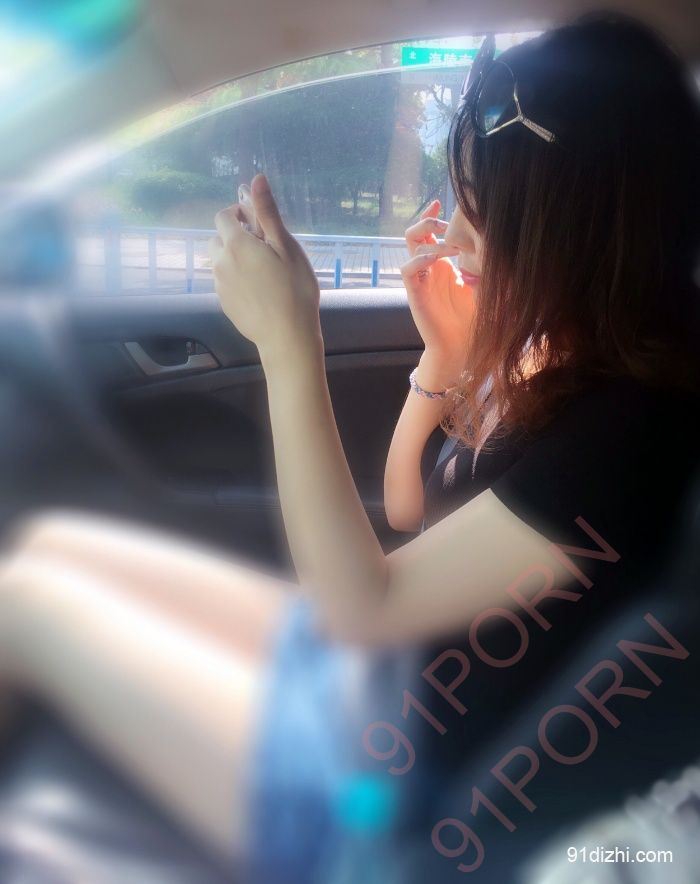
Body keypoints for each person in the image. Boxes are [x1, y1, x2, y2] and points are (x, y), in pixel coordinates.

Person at [1, 11, 699, 884]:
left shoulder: (627, 430)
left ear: (577, 236)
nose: (453, 238)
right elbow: (407, 509)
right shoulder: (559, 352)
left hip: (373, 776)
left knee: (22, 601)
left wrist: (289, 345)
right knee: (51, 548)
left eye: (483, 217)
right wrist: (443, 363)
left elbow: (360, 605)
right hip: (373, 676)